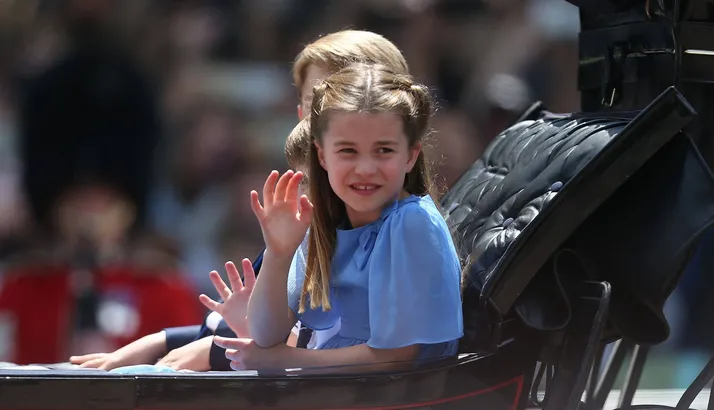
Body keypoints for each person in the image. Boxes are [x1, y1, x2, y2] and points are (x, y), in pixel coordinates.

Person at [73, 29, 413, 372]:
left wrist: (213, 352)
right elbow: (256, 322)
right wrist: (159, 342)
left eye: (339, 102)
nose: (322, 122)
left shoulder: (394, 224)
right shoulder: (309, 210)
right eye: (314, 105)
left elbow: (338, 344)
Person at [209, 63, 463, 371]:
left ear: (410, 155)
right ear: (322, 155)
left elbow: (396, 356)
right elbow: (266, 334)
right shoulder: (323, 223)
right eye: (348, 151)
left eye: (383, 150)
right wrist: (278, 253)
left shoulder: (412, 223)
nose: (366, 168)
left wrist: (286, 360)